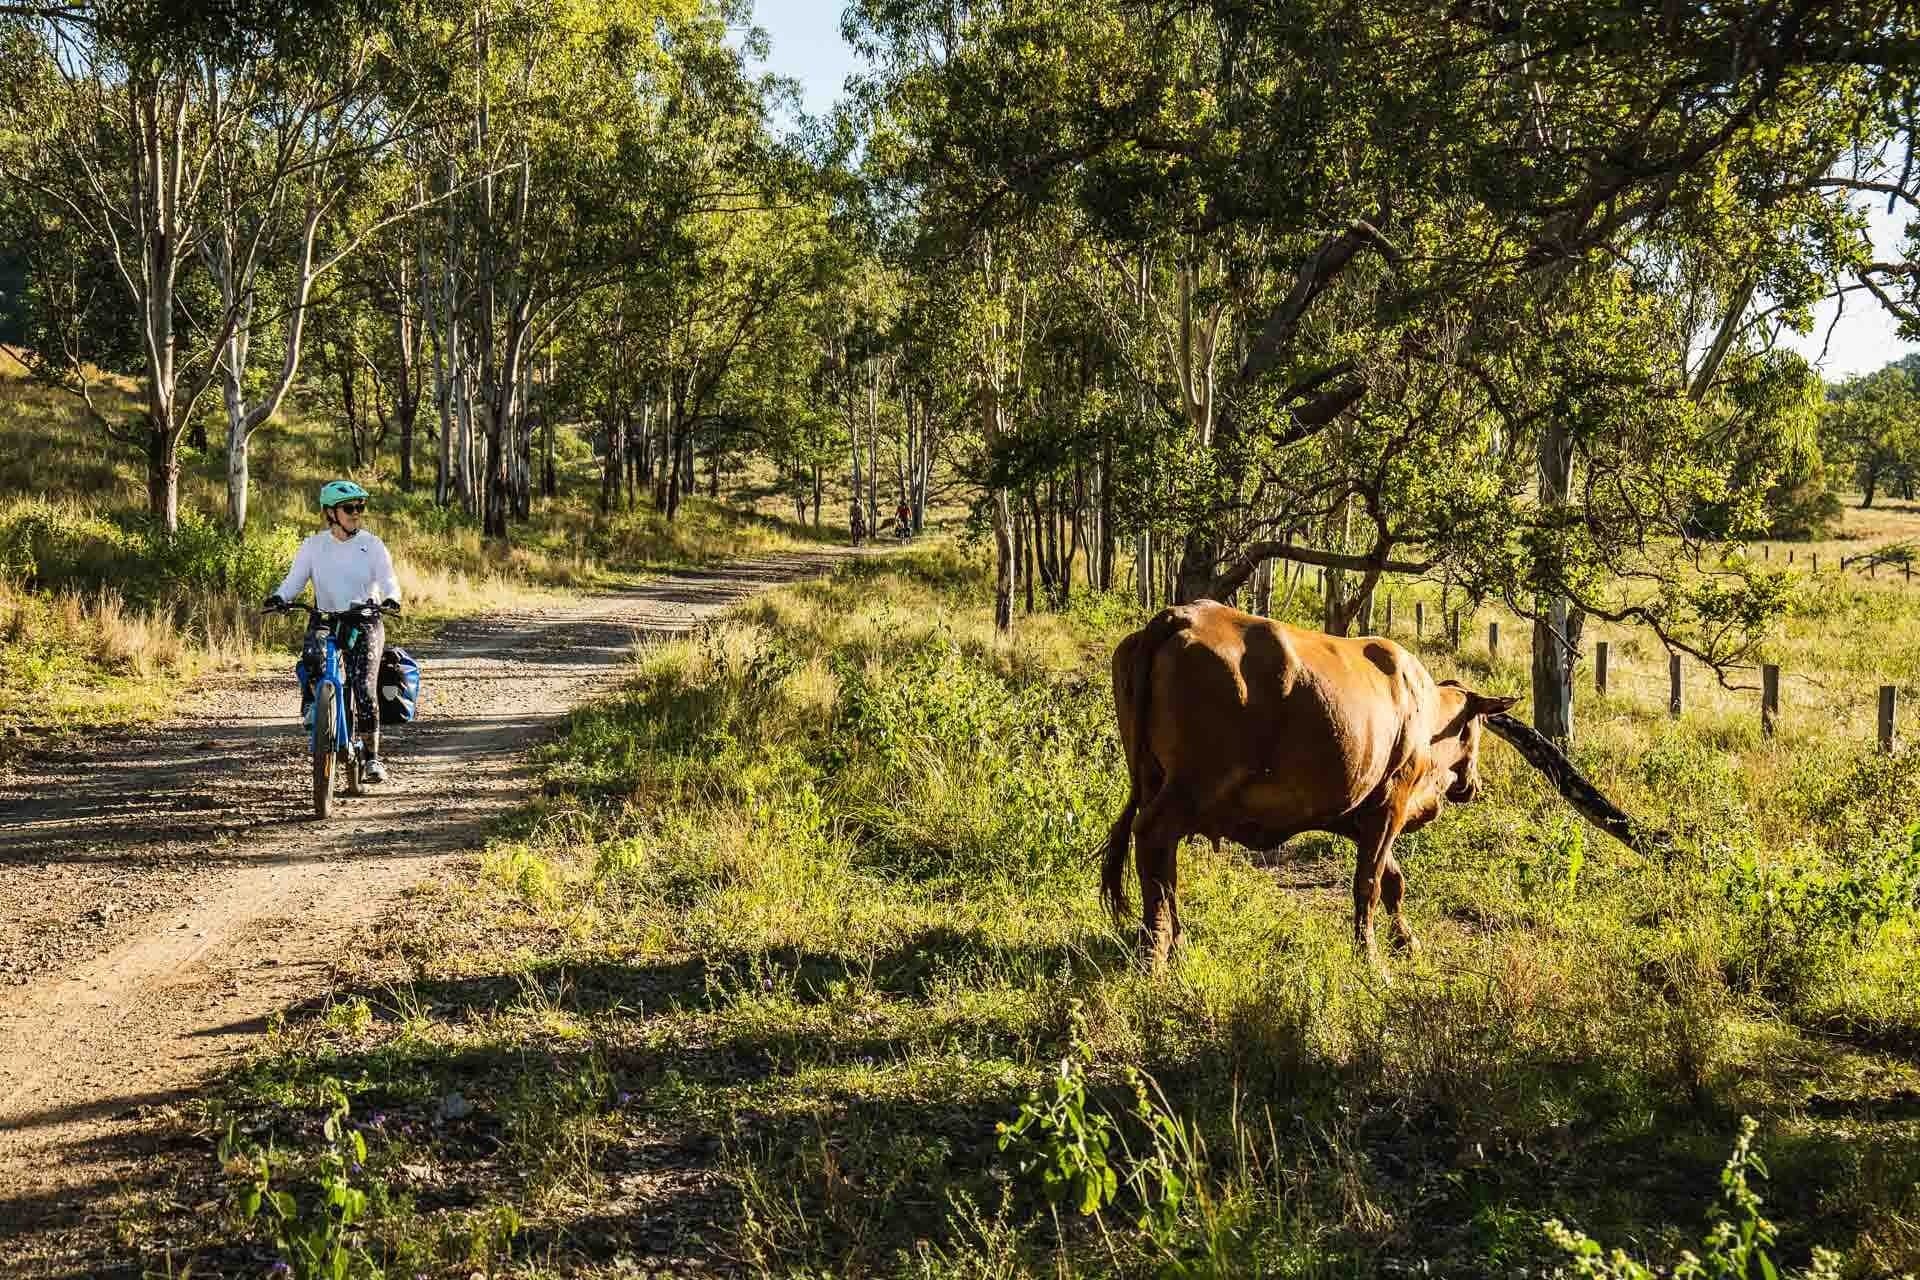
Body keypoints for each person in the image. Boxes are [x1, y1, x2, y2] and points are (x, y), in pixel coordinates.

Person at [263, 480, 402, 783]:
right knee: (311, 659)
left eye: (360, 507)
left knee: (363, 687)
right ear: (330, 512)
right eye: (349, 508)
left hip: (364, 620)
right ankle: (315, 706)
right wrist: (280, 598)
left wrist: (392, 598)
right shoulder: (314, 545)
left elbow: (388, 578)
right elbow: (294, 581)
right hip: (325, 619)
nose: (356, 513)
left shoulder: (372, 544)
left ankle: (372, 758)